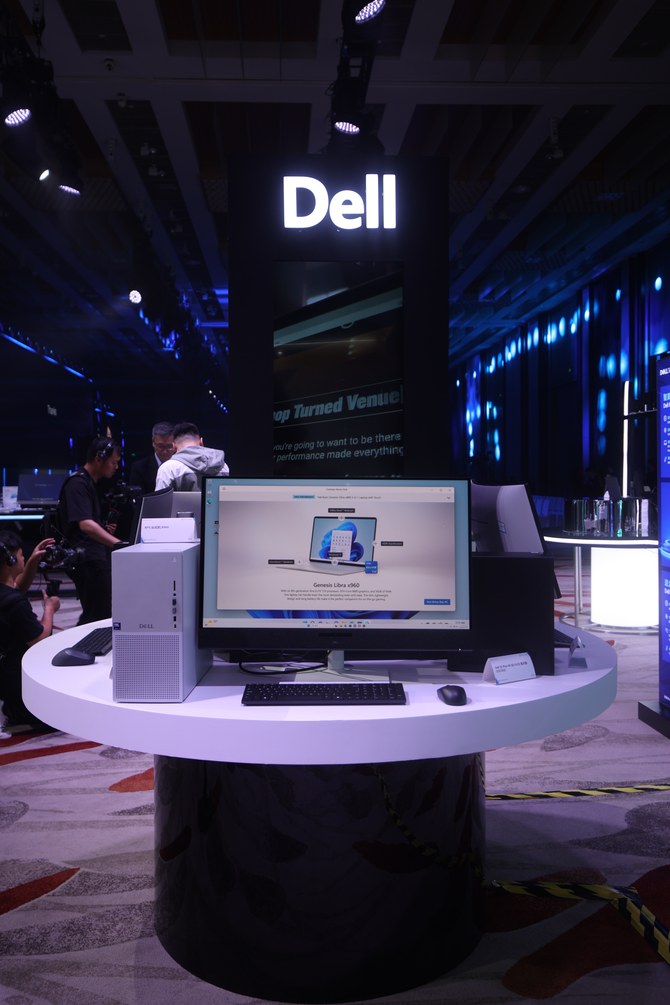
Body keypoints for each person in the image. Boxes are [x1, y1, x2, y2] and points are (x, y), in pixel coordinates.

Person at [56, 436, 124, 625]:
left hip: (93, 557)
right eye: (113, 462)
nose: (116, 467)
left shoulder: (89, 483)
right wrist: (118, 543)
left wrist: (103, 530)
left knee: (98, 612)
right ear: (98, 458)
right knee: (97, 615)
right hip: (87, 560)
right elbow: (85, 524)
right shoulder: (77, 484)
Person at [0, 531, 61, 728]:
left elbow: (16, 588)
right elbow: (39, 638)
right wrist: (50, 609)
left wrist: (33, 561)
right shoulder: (15, 604)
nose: (23, 558)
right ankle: (20, 713)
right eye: (21, 556)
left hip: (5, 673)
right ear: (10, 561)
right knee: (61, 717)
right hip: (15, 679)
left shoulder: (6, 594)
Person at [155, 422, 229, 491]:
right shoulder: (222, 466)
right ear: (201, 442)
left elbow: (160, 500)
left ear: (174, 446)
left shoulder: (168, 468)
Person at [128, 421, 175, 493]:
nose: (165, 451)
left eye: (169, 446)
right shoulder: (139, 468)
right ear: (153, 442)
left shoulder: (181, 467)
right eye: (161, 446)